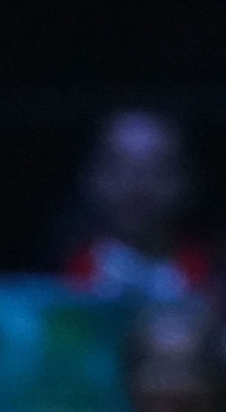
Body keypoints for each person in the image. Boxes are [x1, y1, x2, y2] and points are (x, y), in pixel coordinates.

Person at [65, 108, 211, 301]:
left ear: (186, 179)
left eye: (158, 169)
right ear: (91, 176)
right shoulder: (66, 279)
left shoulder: (212, 277)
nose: (136, 184)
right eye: (118, 167)